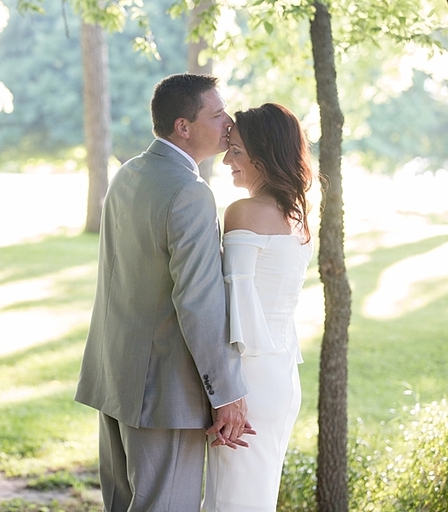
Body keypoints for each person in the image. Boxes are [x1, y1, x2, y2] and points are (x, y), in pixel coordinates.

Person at [75, 73, 251, 512]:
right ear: (183, 126)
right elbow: (198, 302)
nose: (227, 122)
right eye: (216, 114)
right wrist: (225, 392)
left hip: (114, 376)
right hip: (164, 394)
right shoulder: (190, 193)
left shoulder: (128, 174)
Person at [201, 103, 314, 512]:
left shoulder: (244, 213)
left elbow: (235, 305)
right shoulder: (296, 218)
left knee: (229, 499)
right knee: (253, 496)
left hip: (246, 378)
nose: (228, 159)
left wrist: (227, 393)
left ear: (263, 156)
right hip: (281, 375)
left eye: (236, 150)